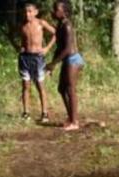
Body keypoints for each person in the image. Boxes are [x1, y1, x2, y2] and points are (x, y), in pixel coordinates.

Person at [46, 1, 84, 131]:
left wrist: (54, 63)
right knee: (61, 89)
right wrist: (52, 64)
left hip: (73, 60)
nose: (53, 12)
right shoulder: (59, 25)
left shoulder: (67, 25)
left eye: (56, 9)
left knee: (70, 89)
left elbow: (67, 49)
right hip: (67, 61)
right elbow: (59, 48)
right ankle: (71, 117)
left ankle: (74, 122)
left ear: (64, 11)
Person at [16, 3, 55, 122]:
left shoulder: (40, 23)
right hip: (25, 58)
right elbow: (13, 35)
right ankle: (26, 112)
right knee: (25, 86)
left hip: (38, 58)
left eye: (30, 11)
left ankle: (45, 113)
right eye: (25, 12)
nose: (27, 14)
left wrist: (47, 48)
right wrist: (18, 47)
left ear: (36, 12)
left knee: (40, 85)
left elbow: (55, 33)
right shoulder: (22, 25)